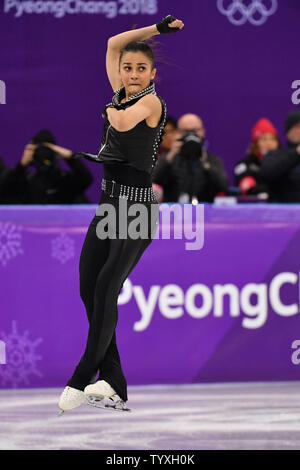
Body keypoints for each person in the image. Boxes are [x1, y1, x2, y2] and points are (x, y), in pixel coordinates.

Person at [58, 15, 184, 414]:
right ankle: (114, 379)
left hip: (137, 210)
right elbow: (115, 42)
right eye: (127, 68)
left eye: (140, 68)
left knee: (106, 285)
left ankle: (81, 376)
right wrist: (157, 32)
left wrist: (113, 101)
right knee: (87, 286)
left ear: (152, 74)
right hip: (110, 204)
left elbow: (123, 120)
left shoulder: (149, 101)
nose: (130, 73)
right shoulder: (123, 90)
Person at [1, 129, 93, 204]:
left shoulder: (65, 181)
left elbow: (86, 179)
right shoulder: (27, 182)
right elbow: (4, 190)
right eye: (39, 151)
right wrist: (21, 166)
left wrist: (70, 156)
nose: (43, 155)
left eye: (47, 150)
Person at [152, 113, 229, 202]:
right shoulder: (168, 159)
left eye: (195, 130)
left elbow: (224, 186)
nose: (191, 135)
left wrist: (206, 165)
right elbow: (152, 182)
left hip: (205, 213)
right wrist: (170, 157)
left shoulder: (212, 160)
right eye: (185, 131)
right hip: (175, 213)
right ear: (178, 133)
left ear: (203, 132)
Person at [233, 118, 280, 199]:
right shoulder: (245, 165)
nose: (269, 143)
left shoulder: (284, 163)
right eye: (264, 139)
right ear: (256, 143)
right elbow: (247, 187)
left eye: (272, 139)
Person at [260, 110, 300, 202]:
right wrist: (297, 153)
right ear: (288, 131)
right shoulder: (276, 154)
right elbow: (266, 174)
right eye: (297, 127)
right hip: (283, 212)